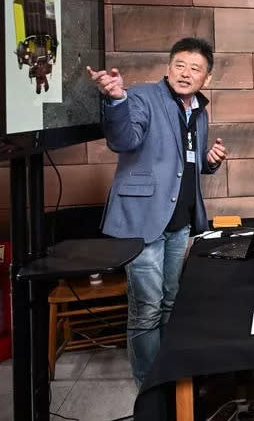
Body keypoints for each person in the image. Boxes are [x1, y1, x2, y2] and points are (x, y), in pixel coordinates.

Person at [87, 37, 228, 387]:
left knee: (171, 301)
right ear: (168, 67)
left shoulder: (199, 112)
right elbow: (124, 140)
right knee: (147, 309)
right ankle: (149, 386)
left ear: (205, 78)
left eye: (195, 69)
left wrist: (209, 163)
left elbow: (187, 163)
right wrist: (116, 99)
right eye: (180, 65)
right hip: (143, 222)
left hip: (179, 222)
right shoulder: (141, 96)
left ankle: (167, 371)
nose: (186, 73)